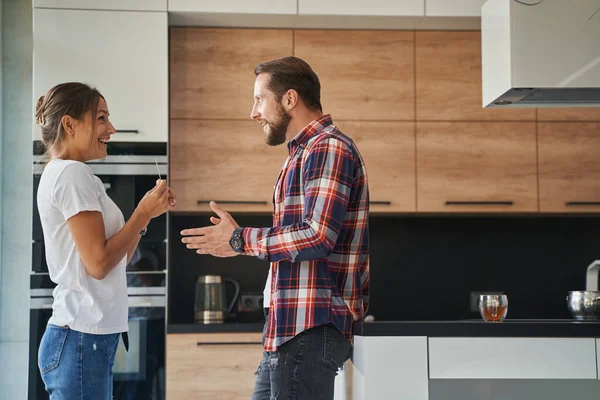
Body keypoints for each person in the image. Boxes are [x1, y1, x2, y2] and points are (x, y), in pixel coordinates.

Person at [180, 56, 370, 400]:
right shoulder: (301, 153)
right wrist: (237, 243)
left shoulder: (327, 147)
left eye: (259, 99)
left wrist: (239, 238)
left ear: (289, 99)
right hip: (288, 327)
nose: (253, 112)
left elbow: (317, 235)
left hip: (310, 326)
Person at [35, 82, 177, 399]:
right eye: (101, 118)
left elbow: (116, 262)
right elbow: (98, 265)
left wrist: (146, 217)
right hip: (81, 336)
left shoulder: (73, 174)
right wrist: (141, 212)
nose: (111, 128)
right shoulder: (72, 175)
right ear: (69, 124)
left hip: (85, 337)